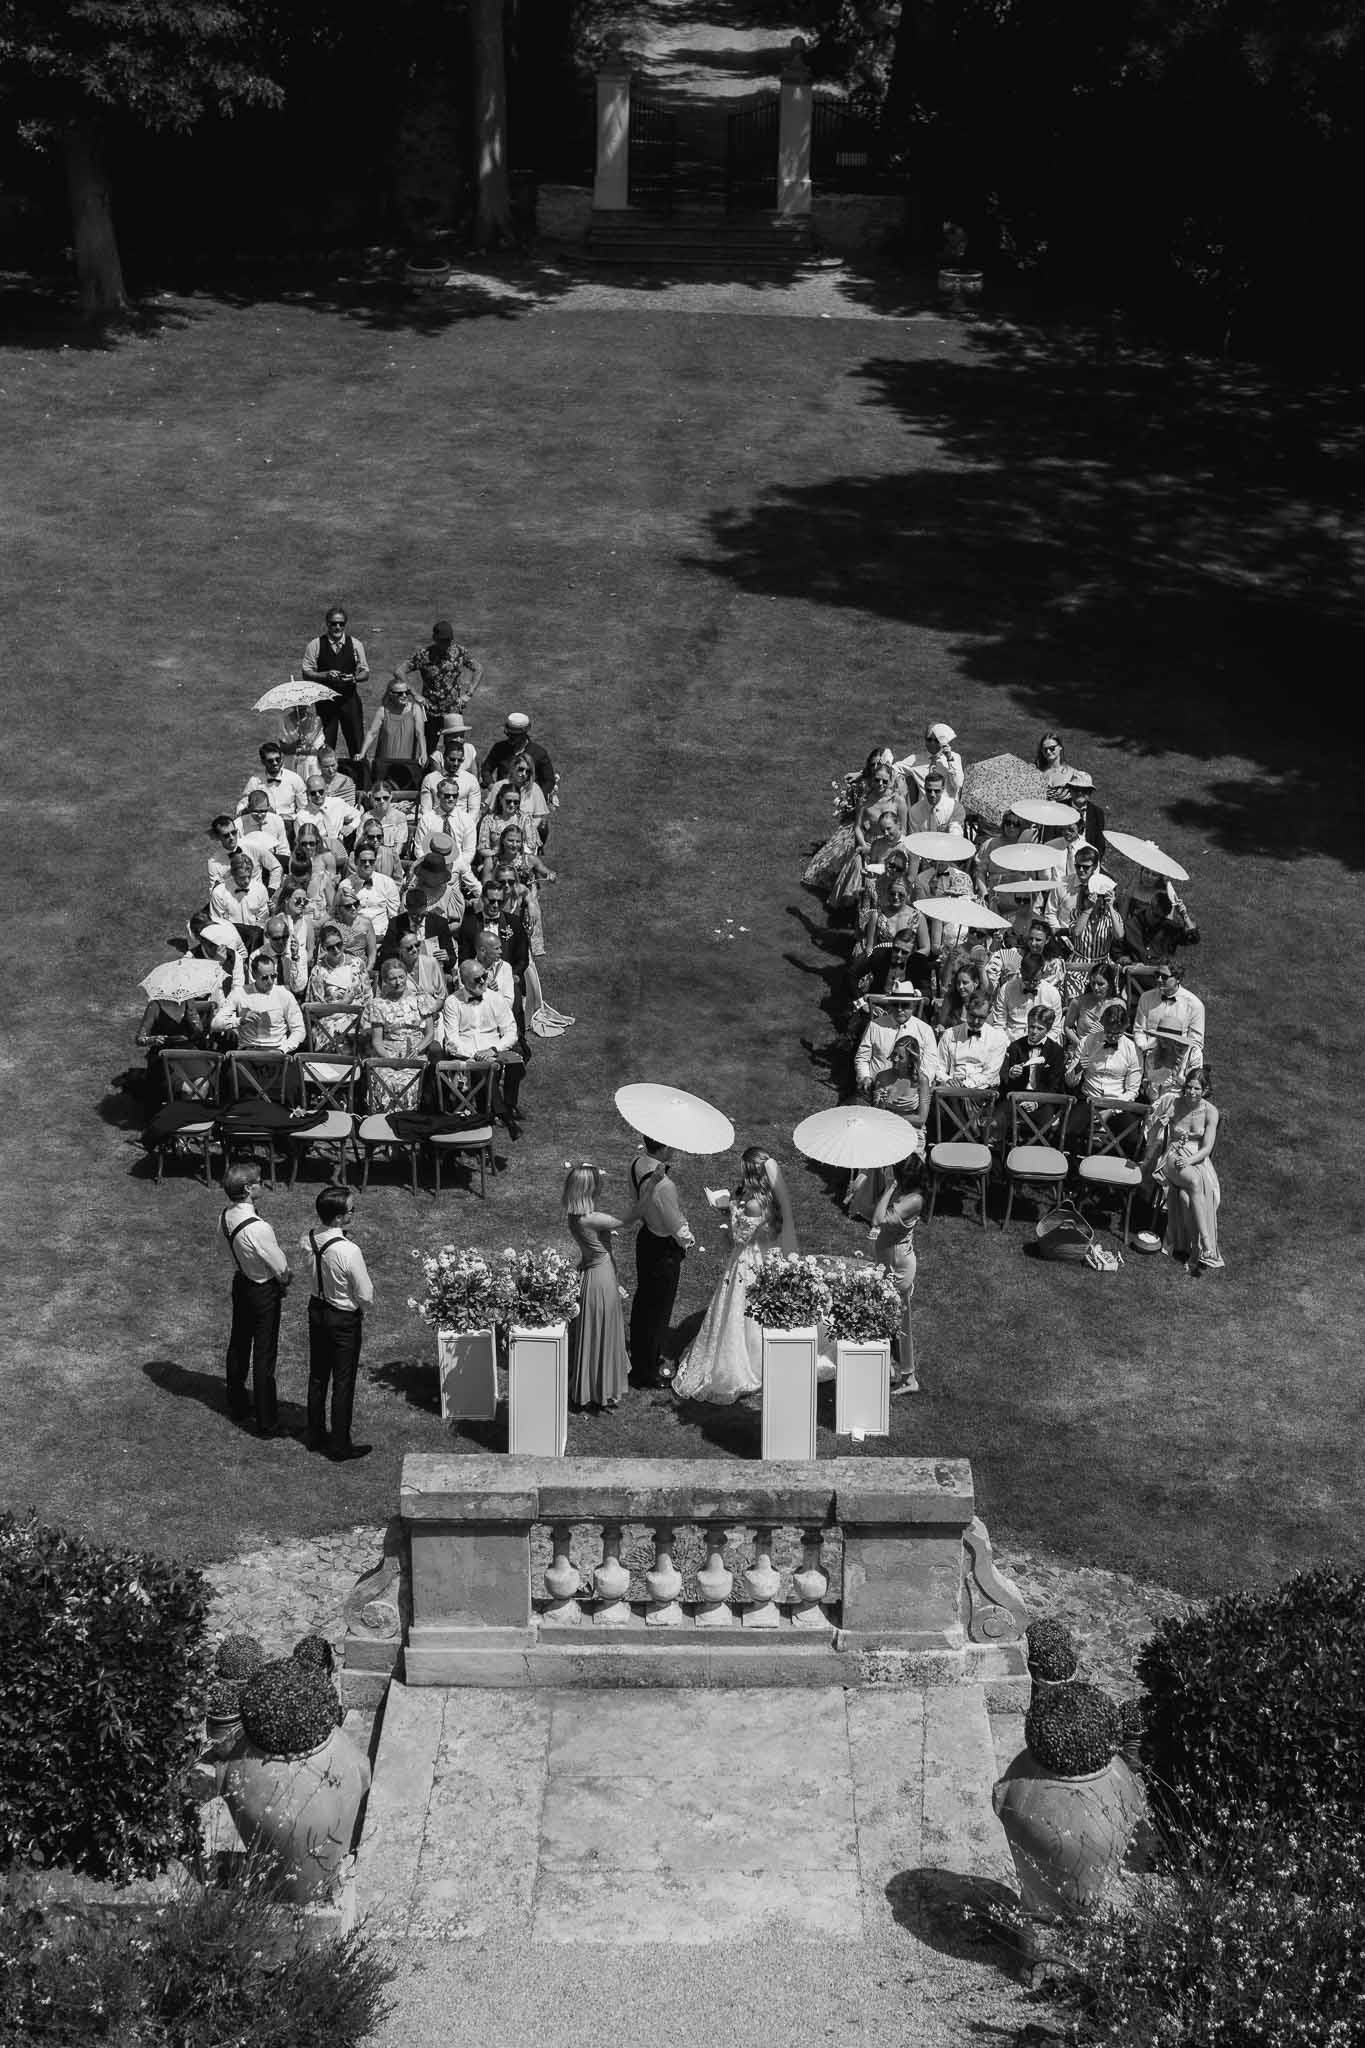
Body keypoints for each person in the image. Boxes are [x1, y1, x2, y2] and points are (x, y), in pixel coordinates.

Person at [671, 1148, 795, 1405]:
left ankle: (744, 1366)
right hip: (763, 1257)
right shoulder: (766, 1198)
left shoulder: (753, 1203)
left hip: (747, 1263)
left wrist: (726, 1209)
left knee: (739, 1311)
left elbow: (738, 1237)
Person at [302, 1181, 373, 1458]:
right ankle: (340, 1444)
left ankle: (315, 1433)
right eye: (351, 1211)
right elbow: (365, 1292)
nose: (354, 1214)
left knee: (318, 1375)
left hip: (316, 1309)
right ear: (339, 1217)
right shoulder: (348, 1250)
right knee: (343, 1380)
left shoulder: (308, 1238)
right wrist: (359, 1306)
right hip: (342, 1317)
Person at [219, 1162, 291, 1435]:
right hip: (263, 1290)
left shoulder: (225, 1217)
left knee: (238, 1343)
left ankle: (237, 1404)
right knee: (264, 1355)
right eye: (259, 1181)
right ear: (248, 1189)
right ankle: (266, 1420)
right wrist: (284, 1280)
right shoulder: (259, 1228)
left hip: (241, 1282)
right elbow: (281, 1268)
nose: (263, 1183)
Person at [562, 1163, 636, 1411]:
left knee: (594, 1333)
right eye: (597, 1181)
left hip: (592, 1275)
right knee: (603, 1334)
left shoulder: (575, 1216)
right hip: (601, 1279)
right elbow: (626, 1220)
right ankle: (602, 1389)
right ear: (590, 1188)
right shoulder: (591, 1218)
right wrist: (650, 1190)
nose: (602, 1184)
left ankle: (592, 1386)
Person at [628, 1141, 696, 1389]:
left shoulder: (636, 1164)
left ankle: (643, 1357)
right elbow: (675, 1224)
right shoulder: (665, 1185)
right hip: (662, 1247)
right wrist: (688, 1241)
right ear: (665, 1147)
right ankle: (646, 1370)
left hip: (646, 1237)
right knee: (657, 1310)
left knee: (644, 1302)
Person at [1150, 1067, 1223, 1275]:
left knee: (1185, 1197)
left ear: (1205, 1090)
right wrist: (1160, 1121)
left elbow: (1207, 1147)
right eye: (1189, 1087)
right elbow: (1153, 1130)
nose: (1191, 1092)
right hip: (1173, 1155)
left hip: (1198, 1159)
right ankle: (1208, 1243)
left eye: (1196, 1089)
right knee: (1193, 1182)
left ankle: (1194, 1251)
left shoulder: (1211, 1111)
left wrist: (1190, 1159)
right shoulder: (1173, 1102)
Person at [871, 1154, 924, 1391]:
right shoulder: (905, 1194)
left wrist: (890, 1187)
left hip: (898, 1267)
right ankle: (893, 1367)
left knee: (899, 1320)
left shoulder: (913, 1200)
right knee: (889, 1315)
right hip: (889, 1260)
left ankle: (908, 1377)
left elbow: (877, 1218)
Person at [364, 956, 435, 1108]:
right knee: (386, 1082)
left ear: (407, 976)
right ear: (385, 981)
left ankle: (410, 1119)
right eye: (393, 979)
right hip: (388, 1054)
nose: (398, 982)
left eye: (401, 977)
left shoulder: (420, 999)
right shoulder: (378, 1004)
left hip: (415, 1053)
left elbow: (430, 1033)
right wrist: (390, 1059)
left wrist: (417, 1049)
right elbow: (377, 1041)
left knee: (410, 1084)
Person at [302, 608, 368, 762]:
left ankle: (361, 780)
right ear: (327, 624)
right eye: (333, 624)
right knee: (326, 744)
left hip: (349, 700)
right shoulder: (315, 645)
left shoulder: (356, 644)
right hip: (325, 701)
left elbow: (365, 672)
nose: (337, 627)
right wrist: (324, 675)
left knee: (357, 742)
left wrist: (354, 678)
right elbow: (306, 672)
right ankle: (323, 781)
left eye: (341, 624)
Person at [405, 620, 484, 751]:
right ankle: (428, 770)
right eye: (442, 641)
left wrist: (468, 694)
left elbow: (478, 669)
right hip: (431, 712)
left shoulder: (459, 652)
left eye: (448, 640)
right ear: (434, 638)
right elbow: (400, 671)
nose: (445, 644)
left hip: (453, 711)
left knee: (455, 747)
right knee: (429, 748)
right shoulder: (424, 655)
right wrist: (415, 694)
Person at [211, 949, 307, 1051]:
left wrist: (283, 1049)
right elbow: (215, 1024)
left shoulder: (284, 994)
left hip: (277, 1051)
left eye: (273, 976)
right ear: (254, 975)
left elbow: (299, 1029)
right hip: (248, 1051)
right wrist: (239, 1021)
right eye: (265, 978)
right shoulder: (240, 993)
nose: (270, 981)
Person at [359, 674, 427, 791]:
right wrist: (362, 753)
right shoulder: (383, 711)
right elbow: (372, 733)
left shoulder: (415, 709)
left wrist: (423, 752)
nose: (404, 695)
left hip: (407, 763)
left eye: (407, 692)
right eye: (400, 693)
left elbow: (420, 733)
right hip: (385, 763)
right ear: (391, 694)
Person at [1132, 963, 1206, 1057]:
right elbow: (1139, 1030)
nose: (1159, 979)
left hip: (1178, 1059)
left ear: (1178, 979)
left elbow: (1196, 1043)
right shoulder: (1146, 997)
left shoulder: (1194, 1005)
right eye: (1157, 975)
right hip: (1148, 1057)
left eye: (1164, 977)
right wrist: (1144, 1048)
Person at [937, 992, 1009, 1089]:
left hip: (982, 1090)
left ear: (989, 1013)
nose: (976, 1022)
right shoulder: (949, 1034)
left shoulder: (997, 1039)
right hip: (952, 1089)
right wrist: (947, 1080)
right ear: (966, 1009)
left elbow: (989, 1074)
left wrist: (965, 1085)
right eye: (972, 1016)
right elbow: (939, 1067)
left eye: (981, 1018)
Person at [482, 711, 556, 802]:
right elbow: (486, 769)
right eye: (509, 734)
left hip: (528, 802)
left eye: (514, 736)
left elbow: (549, 780)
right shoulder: (499, 748)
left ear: (524, 734)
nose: (510, 738)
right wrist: (492, 787)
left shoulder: (539, 753)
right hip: (503, 802)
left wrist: (536, 797)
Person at [240, 741, 307, 828]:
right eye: (270, 761)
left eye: (277, 759)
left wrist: (291, 818)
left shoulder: (295, 779)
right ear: (263, 762)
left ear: (282, 758)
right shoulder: (255, 781)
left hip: (290, 824)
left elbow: (303, 808)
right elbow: (243, 805)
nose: (275, 763)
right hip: (264, 824)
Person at [922, 720, 965, 800]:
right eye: (929, 739)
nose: (932, 743)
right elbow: (894, 767)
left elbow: (958, 785)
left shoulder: (955, 758)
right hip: (925, 809)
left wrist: (949, 759)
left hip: (948, 808)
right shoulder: (915, 760)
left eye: (936, 740)